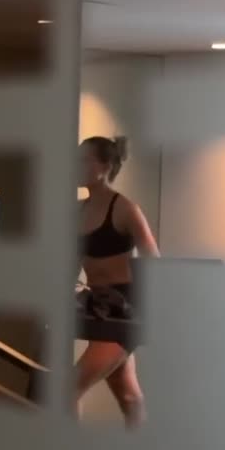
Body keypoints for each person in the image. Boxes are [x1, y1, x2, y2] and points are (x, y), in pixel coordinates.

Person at [76, 135, 160, 427]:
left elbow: (153, 261)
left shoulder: (124, 208)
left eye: (83, 160)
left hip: (125, 311)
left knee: (68, 388)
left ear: (105, 166)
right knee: (130, 399)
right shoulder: (78, 211)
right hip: (98, 308)